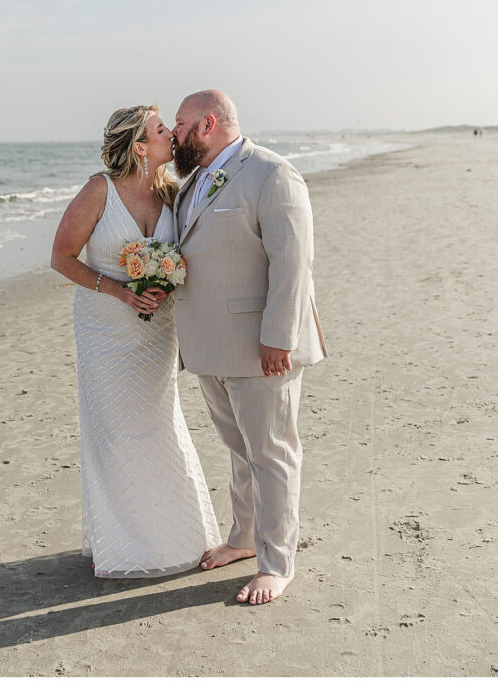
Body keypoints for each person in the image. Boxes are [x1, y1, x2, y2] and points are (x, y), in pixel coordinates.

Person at [171, 90, 327, 605]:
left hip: (263, 348)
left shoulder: (272, 174)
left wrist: (279, 337)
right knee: (240, 450)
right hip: (210, 346)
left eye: (181, 124)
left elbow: (292, 262)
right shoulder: (194, 180)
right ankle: (242, 538)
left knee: (272, 454)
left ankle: (277, 564)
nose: (174, 133)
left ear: (208, 124)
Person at [51, 104, 220, 577]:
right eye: (163, 129)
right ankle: (124, 544)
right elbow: (61, 257)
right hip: (106, 329)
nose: (174, 134)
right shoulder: (98, 191)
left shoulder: (174, 194)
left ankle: (176, 537)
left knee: (159, 422)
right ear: (140, 147)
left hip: (156, 332)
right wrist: (120, 291)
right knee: (115, 430)